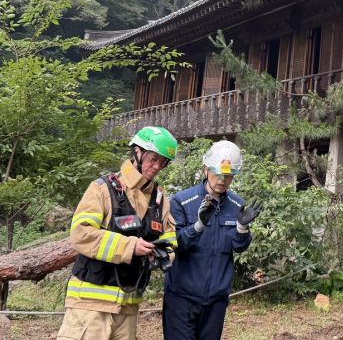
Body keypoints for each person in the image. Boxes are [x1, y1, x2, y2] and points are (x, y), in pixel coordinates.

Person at [57, 126, 178, 340]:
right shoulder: (103, 189)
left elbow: (170, 242)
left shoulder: (160, 200)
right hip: (90, 305)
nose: (157, 166)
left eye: (163, 162)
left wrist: (160, 256)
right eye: (153, 159)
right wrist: (129, 246)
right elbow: (81, 234)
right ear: (137, 151)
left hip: (128, 308)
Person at [163, 140, 262, 340]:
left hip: (216, 300)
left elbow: (239, 247)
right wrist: (197, 226)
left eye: (229, 176)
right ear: (206, 169)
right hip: (181, 297)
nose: (222, 180)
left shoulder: (237, 205)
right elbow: (174, 244)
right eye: (217, 173)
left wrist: (242, 228)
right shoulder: (181, 201)